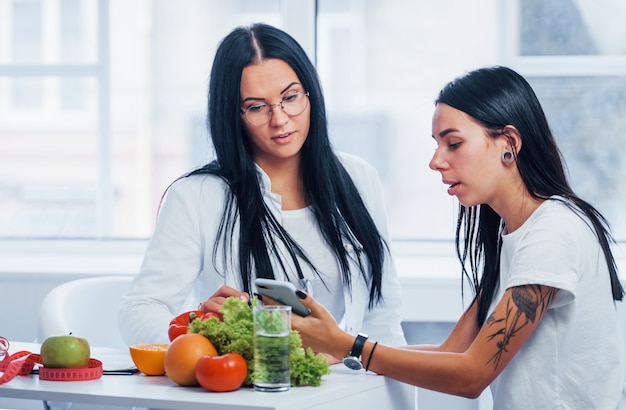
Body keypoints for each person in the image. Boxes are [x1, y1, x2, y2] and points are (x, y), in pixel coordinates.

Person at [291, 65, 625, 409]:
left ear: (508, 143)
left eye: (454, 143)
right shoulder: (513, 235)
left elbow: (472, 374)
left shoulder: (553, 232)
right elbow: (453, 350)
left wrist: (349, 345)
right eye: (437, 145)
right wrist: (342, 349)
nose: (436, 161)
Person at [118, 23, 407, 350]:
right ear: (233, 114)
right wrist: (200, 331)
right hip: (248, 391)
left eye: (291, 98)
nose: (280, 119)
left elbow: (384, 317)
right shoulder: (197, 196)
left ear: (310, 93)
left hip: (343, 386)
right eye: (257, 107)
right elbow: (139, 311)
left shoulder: (358, 178)